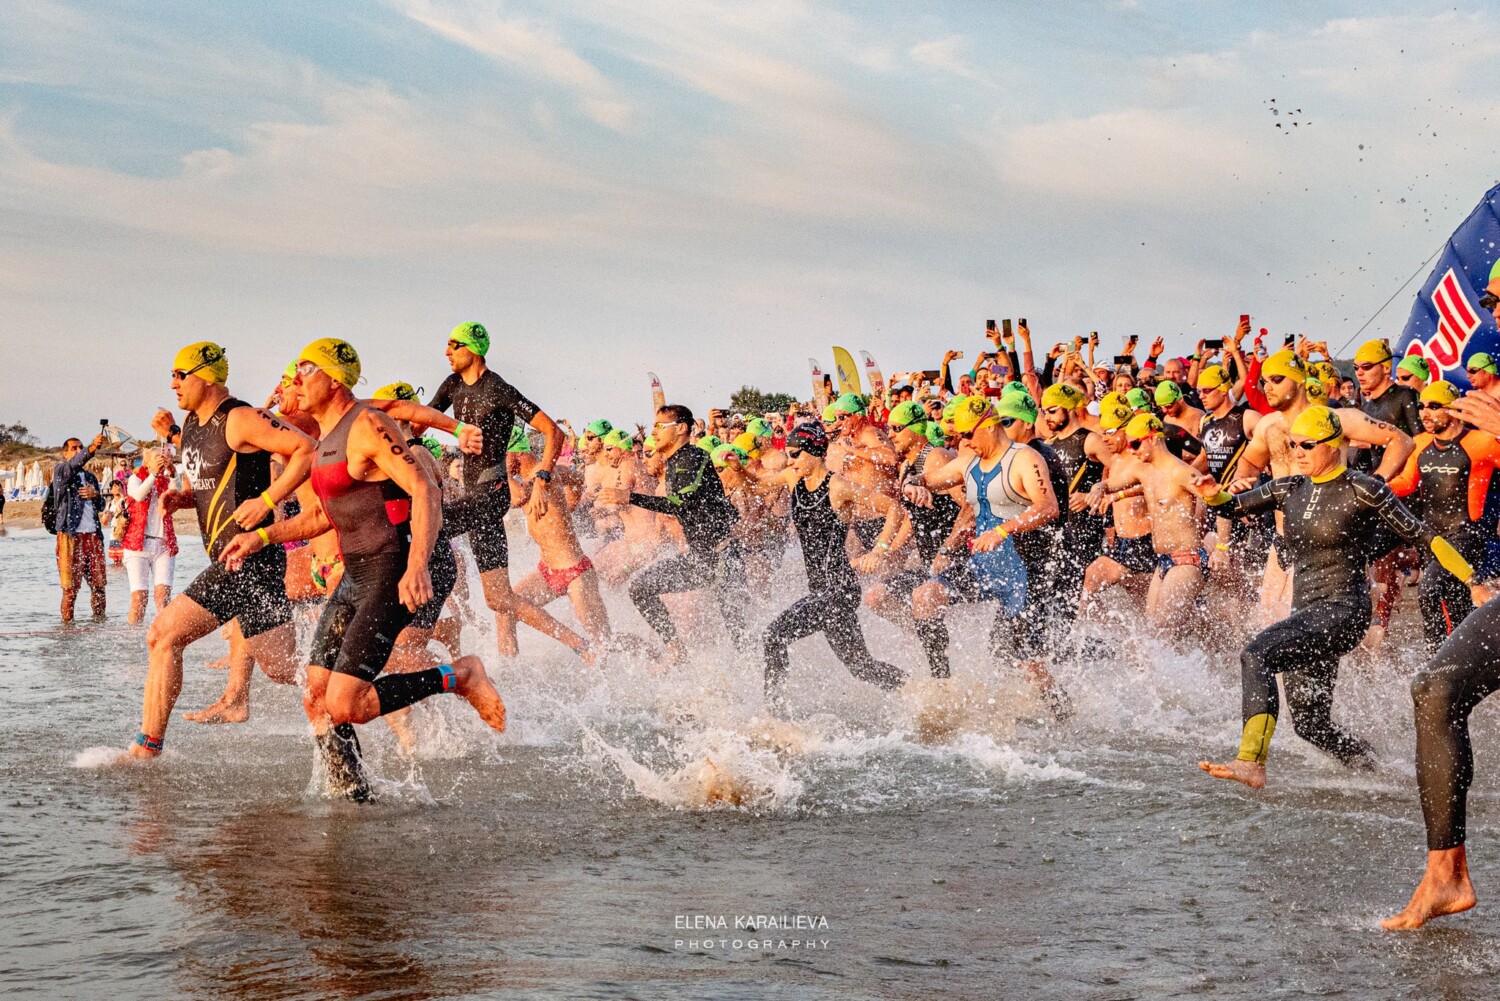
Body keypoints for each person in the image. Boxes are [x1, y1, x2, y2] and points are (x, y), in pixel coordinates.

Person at [220, 338, 507, 799]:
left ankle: (460, 676)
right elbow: (322, 517)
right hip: (355, 574)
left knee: (347, 702)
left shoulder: (367, 424)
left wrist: (417, 565)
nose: (295, 379)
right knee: (316, 696)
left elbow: (424, 489)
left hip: (390, 570)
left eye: (305, 370)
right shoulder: (325, 439)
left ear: (333, 378)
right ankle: (354, 796)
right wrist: (262, 536)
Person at [1197, 406, 1475, 789]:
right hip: (1306, 613)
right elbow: (1231, 505)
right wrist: (1213, 494)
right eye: (1294, 444)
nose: (1298, 452)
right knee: (1311, 725)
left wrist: (1473, 580)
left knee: (1256, 653)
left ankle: (1251, 761)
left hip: (1344, 611)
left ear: (1334, 444)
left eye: (1308, 445)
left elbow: (1423, 536)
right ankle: (1381, 773)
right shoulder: (1288, 487)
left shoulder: (1363, 488)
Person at [127, 341, 312, 761]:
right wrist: (184, 499)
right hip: (234, 560)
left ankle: (147, 749)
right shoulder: (192, 425)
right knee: (285, 668)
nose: (173, 384)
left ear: (206, 376)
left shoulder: (241, 418)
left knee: (163, 635)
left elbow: (305, 448)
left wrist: (268, 501)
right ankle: (372, 685)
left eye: (180, 374)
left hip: (247, 559)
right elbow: (214, 486)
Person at [918, 396, 1068, 715]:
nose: (963, 442)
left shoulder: (1025, 459)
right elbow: (929, 480)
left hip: (1025, 571)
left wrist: (1004, 530)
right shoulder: (969, 462)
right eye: (958, 436)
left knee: (1022, 660)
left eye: (968, 434)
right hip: (984, 565)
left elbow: (1048, 507)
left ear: (988, 425)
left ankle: (1063, 714)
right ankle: (942, 688)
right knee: (926, 596)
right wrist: (911, 486)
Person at [426, 321, 565, 659]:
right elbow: (423, 418)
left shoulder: (497, 388)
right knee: (499, 598)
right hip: (473, 495)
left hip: (491, 492)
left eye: (453, 345)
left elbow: (553, 431)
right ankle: (580, 646)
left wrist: (542, 479)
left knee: (427, 531)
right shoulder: (453, 384)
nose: (446, 351)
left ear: (472, 349)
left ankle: (428, 624)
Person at [762, 424, 906, 709]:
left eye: (794, 454)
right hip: (821, 591)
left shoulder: (838, 486)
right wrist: (735, 469)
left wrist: (879, 550)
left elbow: (893, 508)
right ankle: (914, 689)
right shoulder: (794, 480)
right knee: (862, 667)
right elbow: (758, 484)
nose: (789, 461)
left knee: (773, 635)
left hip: (839, 590)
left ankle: (773, 714)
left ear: (813, 452)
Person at [626, 403, 746, 663]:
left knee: (740, 636)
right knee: (640, 587)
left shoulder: (694, 458)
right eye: (654, 426)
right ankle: (675, 649)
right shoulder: (674, 462)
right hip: (700, 559)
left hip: (723, 558)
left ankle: (761, 686)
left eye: (660, 426)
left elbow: (681, 503)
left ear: (681, 428)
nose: (654, 432)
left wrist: (628, 497)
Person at [1386, 380, 1500, 652]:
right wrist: (1375, 489)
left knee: (1430, 590)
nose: (1425, 413)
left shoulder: (1480, 442)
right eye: (1422, 406)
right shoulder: (1421, 443)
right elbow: (1407, 482)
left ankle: (1436, 657)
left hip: (1466, 536)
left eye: (1435, 406)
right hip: (1431, 537)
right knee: (1456, 602)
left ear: (1453, 411)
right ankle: (1469, 658)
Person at [50, 433, 109, 622]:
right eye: (74, 448)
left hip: (93, 536)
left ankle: (99, 623)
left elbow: (101, 506)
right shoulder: (61, 471)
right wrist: (91, 448)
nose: (78, 451)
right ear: (65, 453)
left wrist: (96, 495)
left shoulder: (91, 476)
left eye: (80, 447)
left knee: (99, 586)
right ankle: (67, 630)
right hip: (70, 536)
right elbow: (73, 464)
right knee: (70, 589)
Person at [122, 448, 178, 625]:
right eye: (156, 457)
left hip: (163, 545)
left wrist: (173, 473)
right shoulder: (135, 479)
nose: (161, 459)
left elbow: (176, 500)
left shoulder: (165, 480)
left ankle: (164, 637)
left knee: (163, 598)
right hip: (137, 545)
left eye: (163, 457)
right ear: (146, 462)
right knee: (140, 598)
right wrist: (153, 474)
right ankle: (134, 639)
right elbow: (138, 495)